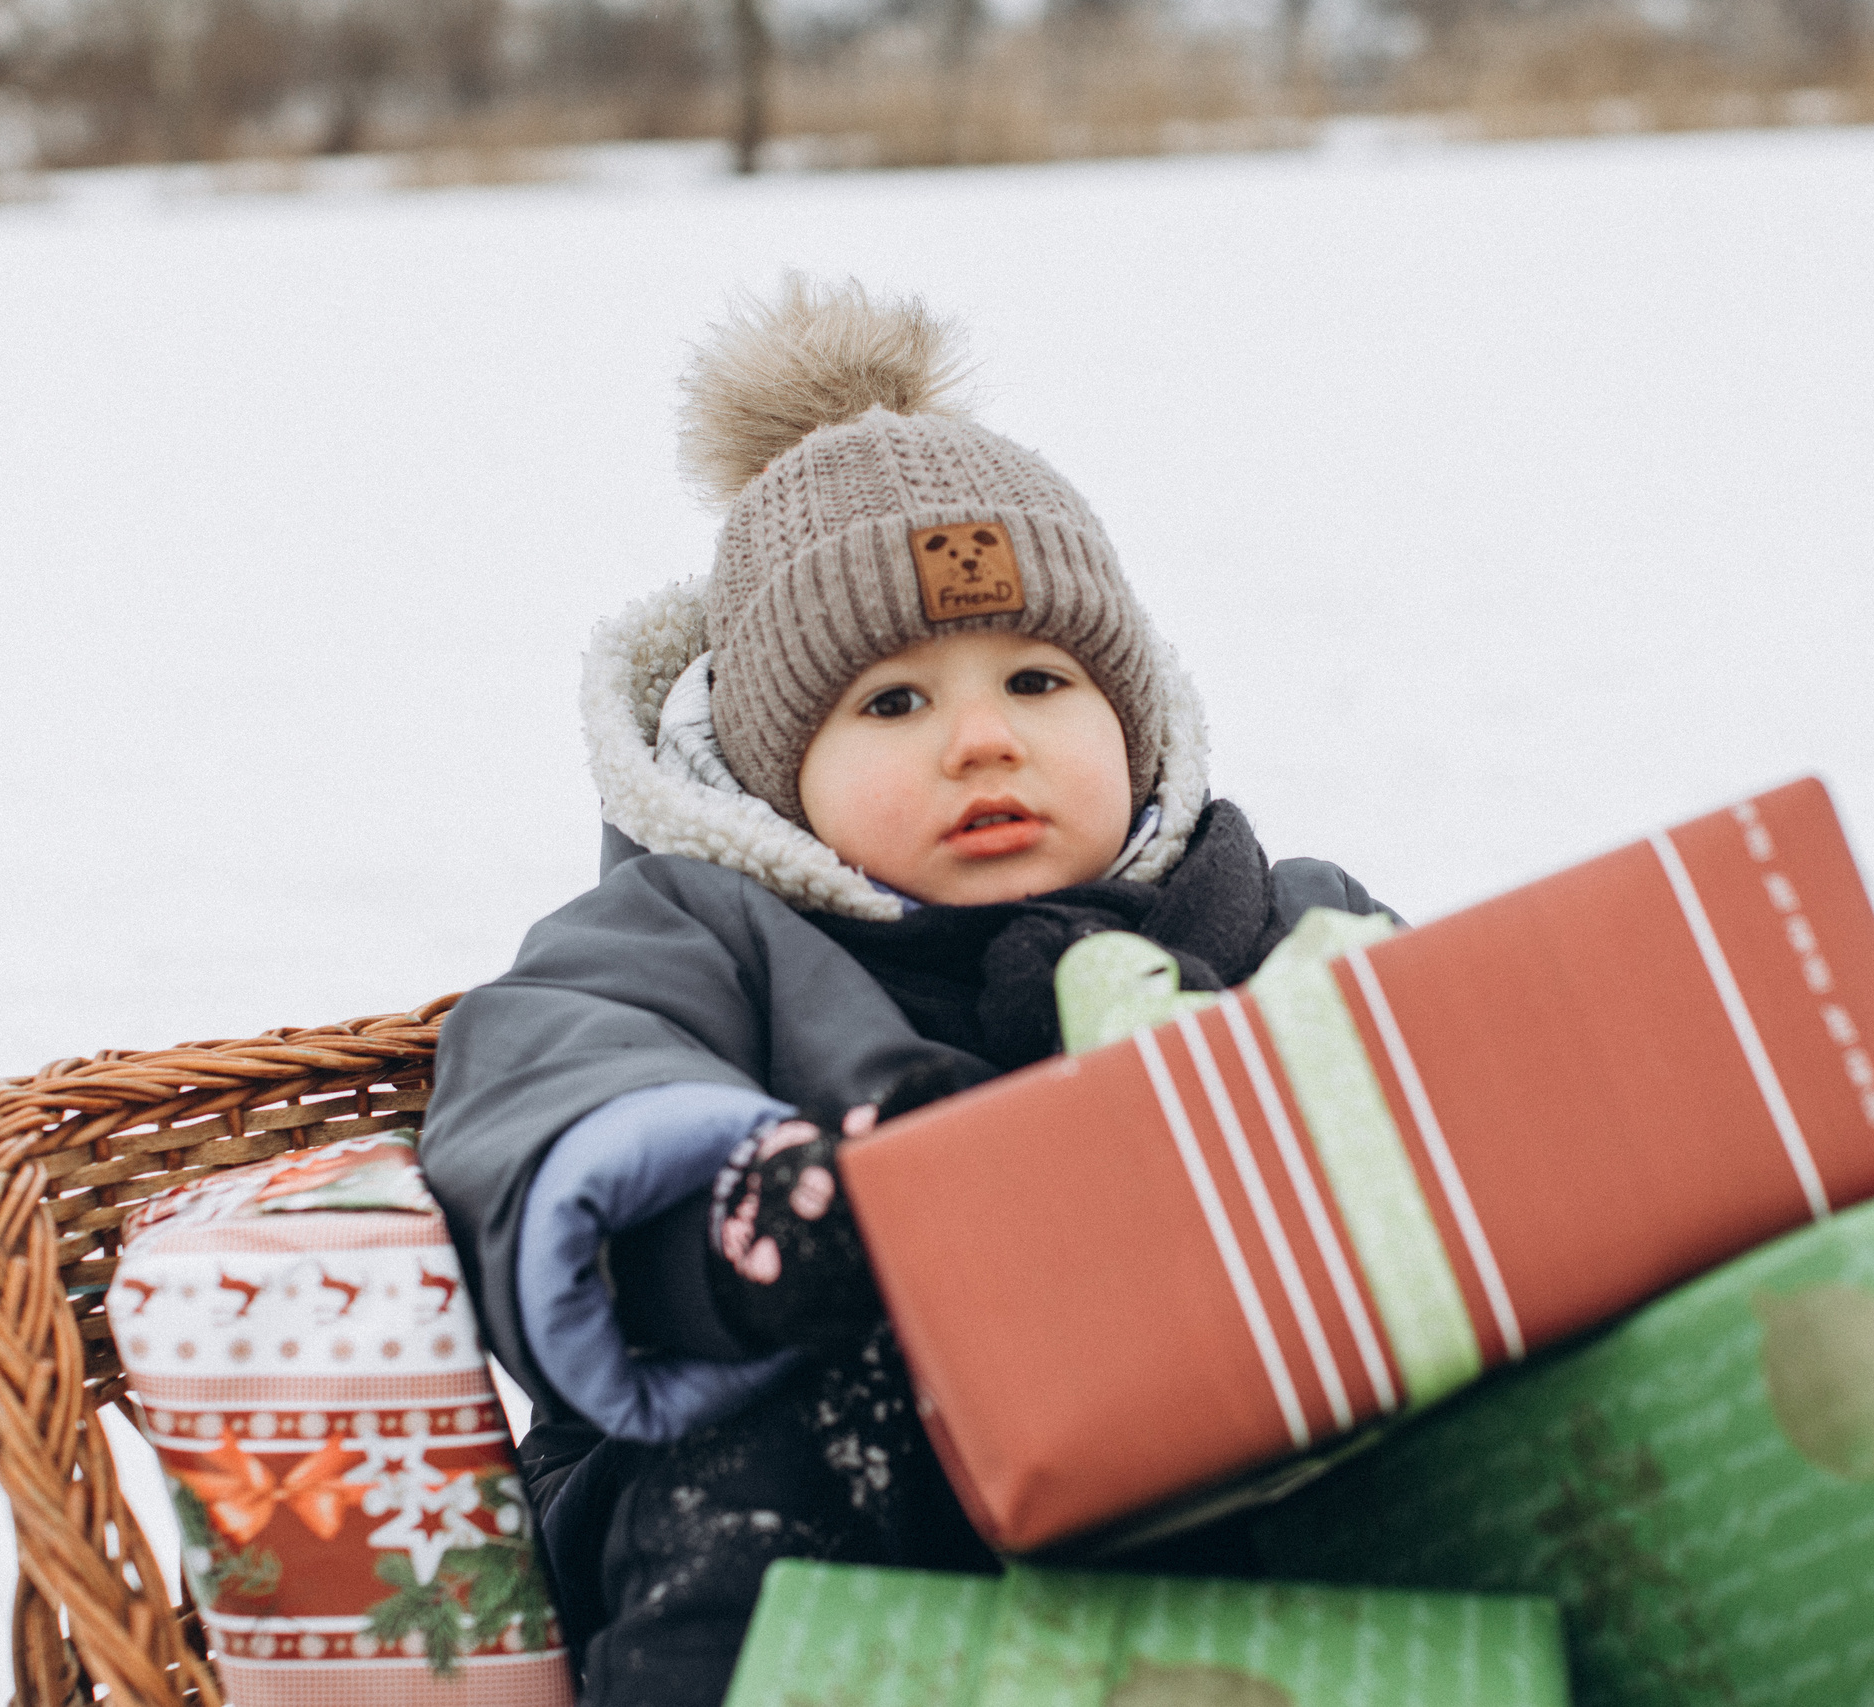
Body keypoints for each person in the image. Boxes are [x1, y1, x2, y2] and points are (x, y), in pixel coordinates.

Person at [418, 277, 1393, 1706]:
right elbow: (549, 1066)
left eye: (1042, 681)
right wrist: (752, 1219)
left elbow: (1454, 1079)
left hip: (1207, 1453)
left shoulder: (1267, 919)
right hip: (796, 1491)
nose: (983, 740)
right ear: (774, 772)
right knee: (788, 1448)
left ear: (1133, 718)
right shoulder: (700, 927)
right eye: (893, 704)